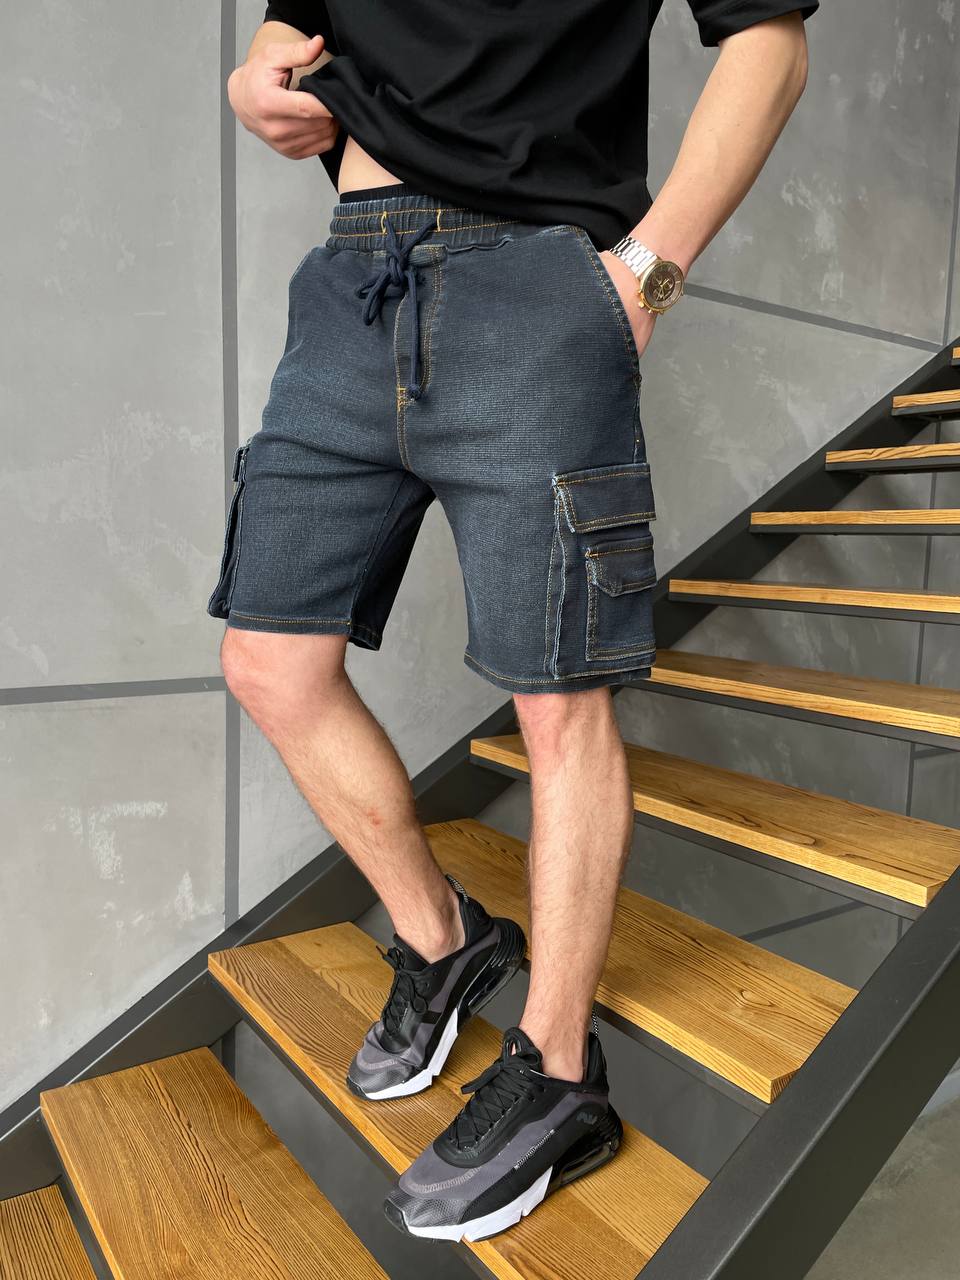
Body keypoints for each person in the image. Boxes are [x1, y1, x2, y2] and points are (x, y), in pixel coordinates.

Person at [213, 0, 815, 1243]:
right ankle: (444, 940)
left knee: (557, 697)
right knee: (269, 659)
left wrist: (642, 277)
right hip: (353, 279)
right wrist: (256, 73)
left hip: (536, 281)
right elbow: (292, 22)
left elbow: (771, 41)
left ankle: (559, 1069)